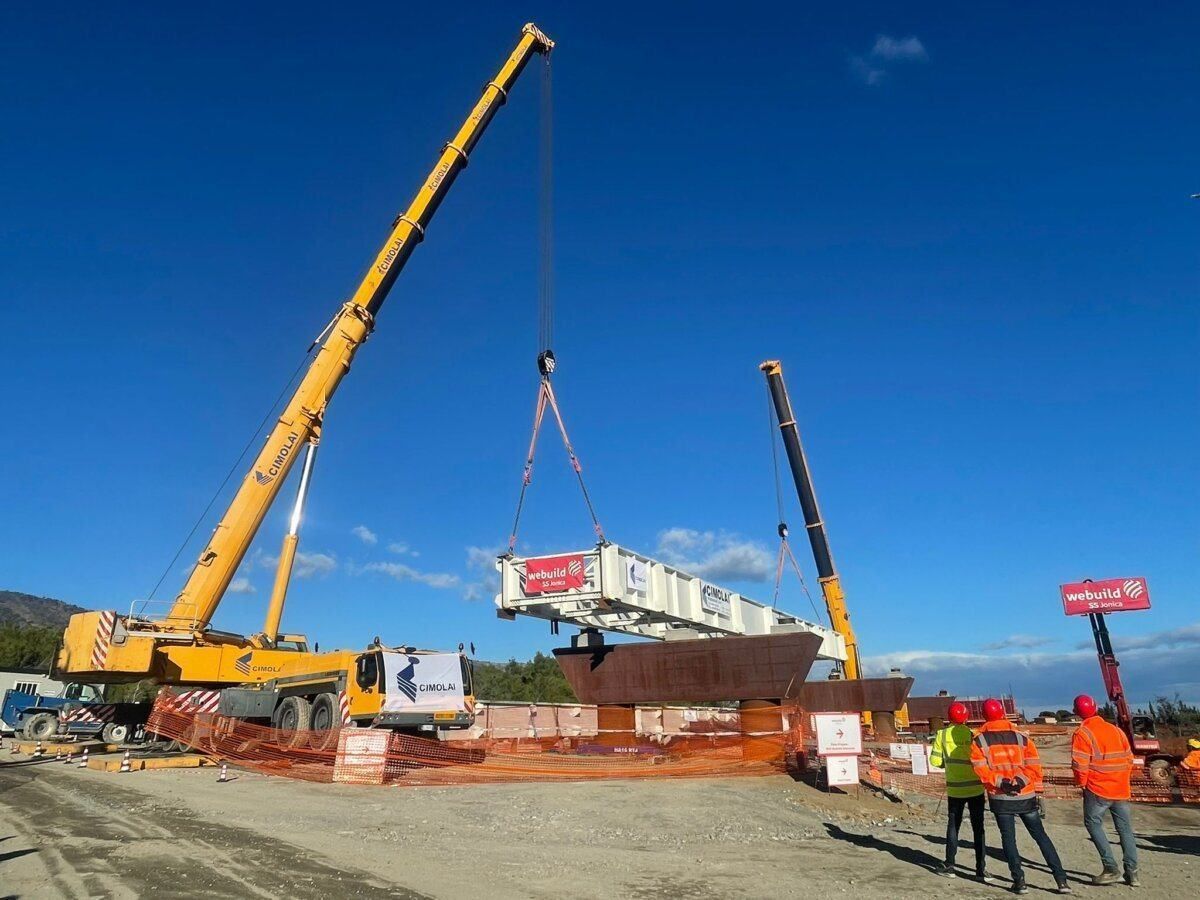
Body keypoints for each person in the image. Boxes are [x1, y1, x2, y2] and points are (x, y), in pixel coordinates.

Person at [970, 698, 1070, 895]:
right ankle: (1061, 880)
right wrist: (1021, 781)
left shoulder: (979, 741)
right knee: (1041, 836)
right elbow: (1034, 765)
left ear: (984, 715)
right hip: (1025, 795)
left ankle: (1019, 881)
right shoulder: (1021, 738)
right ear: (1003, 713)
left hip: (1001, 797)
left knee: (1009, 839)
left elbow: (981, 770)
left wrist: (1001, 782)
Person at [1071, 694, 1138, 887]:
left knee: (1093, 824)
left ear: (1076, 712)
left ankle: (1110, 868)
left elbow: (1080, 764)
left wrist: (1082, 783)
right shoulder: (1116, 730)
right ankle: (1132, 872)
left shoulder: (1083, 733)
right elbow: (1129, 759)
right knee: (1125, 829)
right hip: (1120, 788)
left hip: (1097, 788)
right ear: (1096, 707)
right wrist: (1121, 778)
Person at [930, 701, 993, 882]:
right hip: (975, 788)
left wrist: (947, 764)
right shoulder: (973, 735)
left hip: (955, 789)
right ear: (966, 717)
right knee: (978, 828)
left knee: (953, 826)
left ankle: (950, 865)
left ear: (949, 717)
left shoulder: (942, 735)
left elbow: (935, 761)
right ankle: (981, 869)